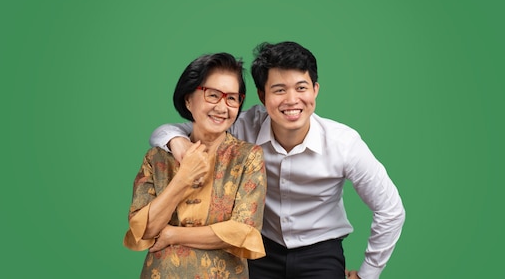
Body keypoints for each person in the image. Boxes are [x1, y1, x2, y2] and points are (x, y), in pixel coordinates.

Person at [149, 41, 406, 279]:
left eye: (301, 88)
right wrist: (177, 141)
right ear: (262, 96)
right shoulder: (243, 127)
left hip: (321, 252)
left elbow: (390, 210)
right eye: (279, 90)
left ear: (315, 90)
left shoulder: (344, 143)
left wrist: (367, 274)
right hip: (260, 248)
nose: (292, 100)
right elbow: (166, 131)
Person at [124, 52, 268, 278]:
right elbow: (144, 229)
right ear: (188, 99)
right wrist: (182, 180)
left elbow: (243, 230)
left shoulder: (248, 157)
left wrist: (172, 234)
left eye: (232, 98)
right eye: (213, 95)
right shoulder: (156, 158)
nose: (223, 107)